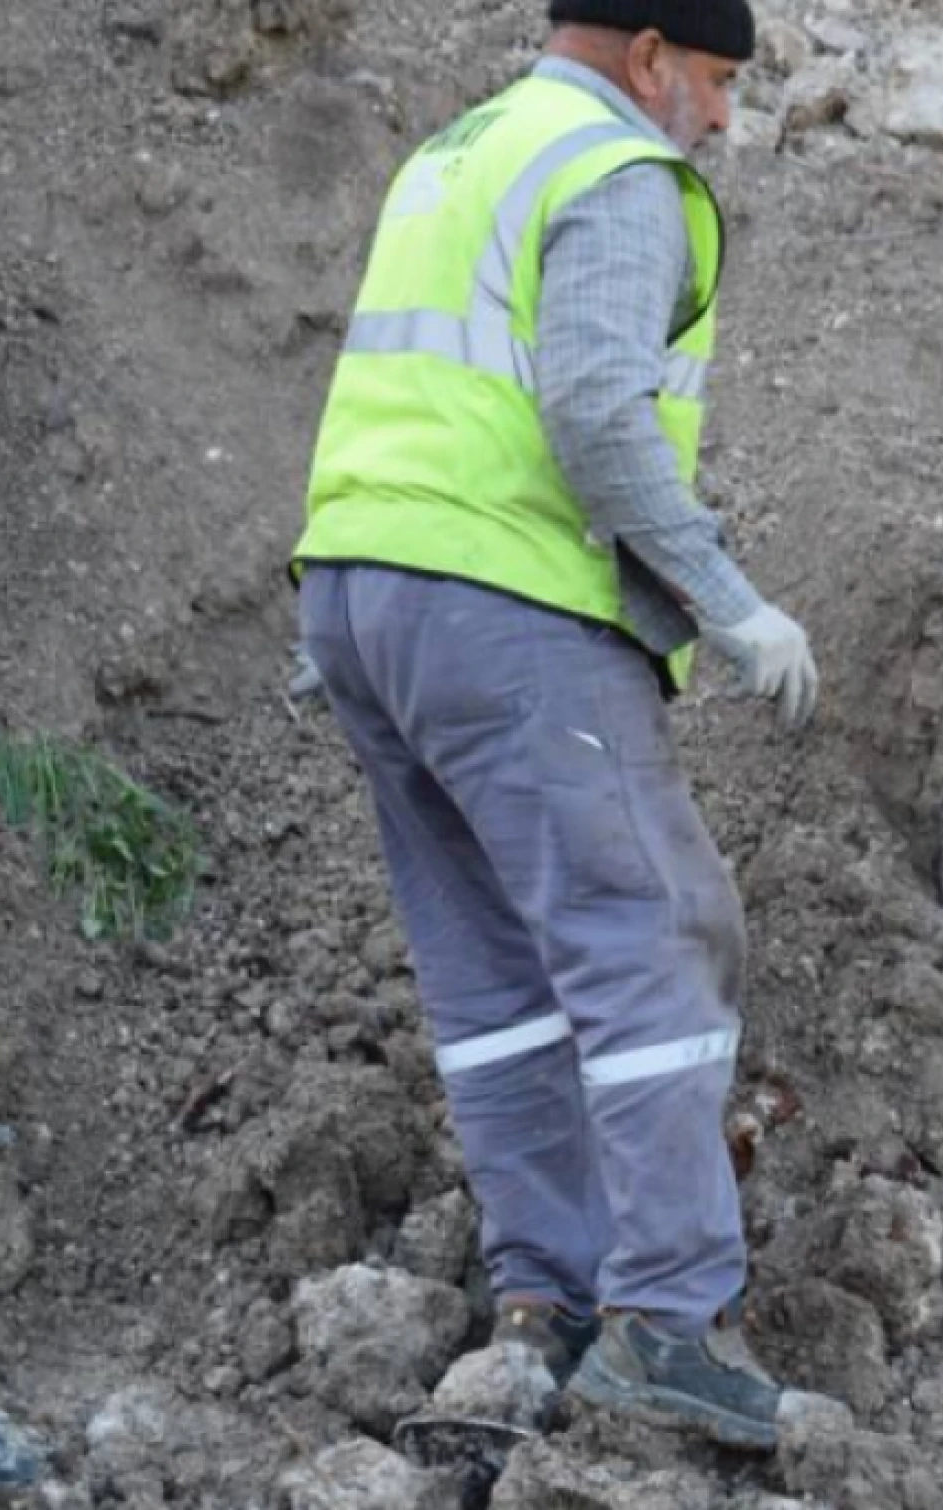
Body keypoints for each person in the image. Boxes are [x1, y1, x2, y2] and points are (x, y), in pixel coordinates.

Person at [289, 0, 817, 1453]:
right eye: (711, 80)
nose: (717, 118)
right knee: (657, 934)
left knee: (496, 973)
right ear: (649, 54)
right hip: (506, 603)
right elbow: (591, 406)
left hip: (359, 599)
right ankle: (663, 1322)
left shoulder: (457, 152)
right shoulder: (612, 169)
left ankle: (549, 1303)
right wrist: (725, 598)